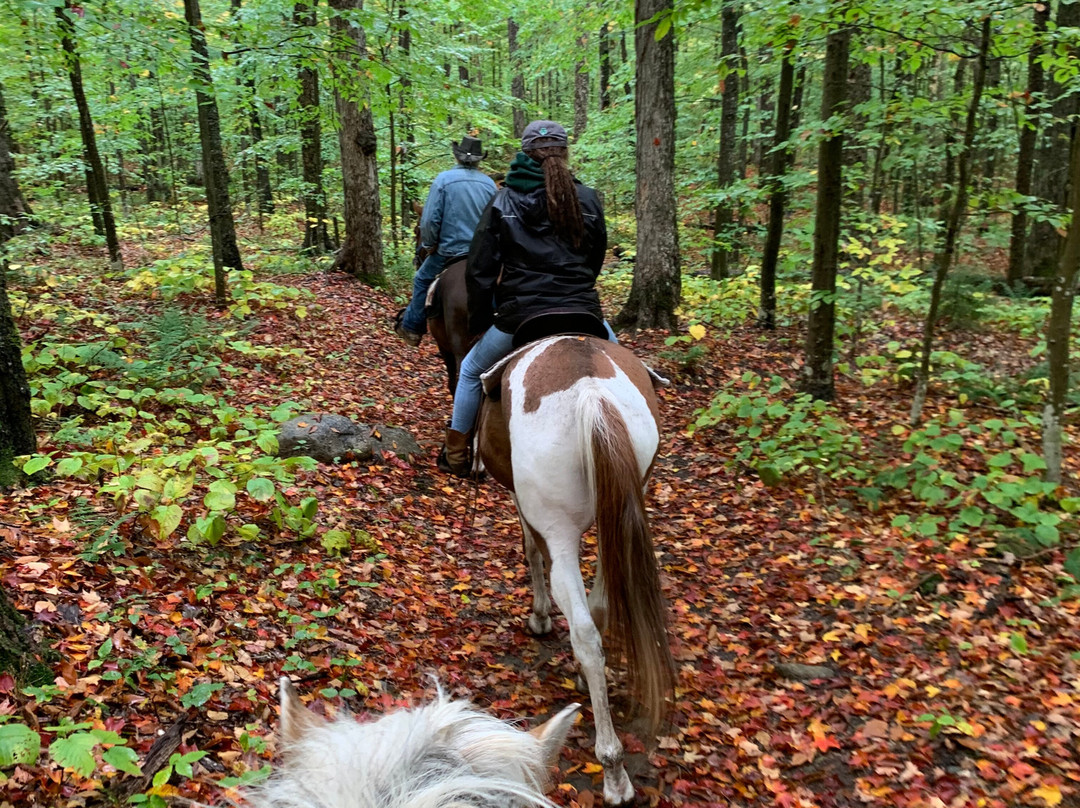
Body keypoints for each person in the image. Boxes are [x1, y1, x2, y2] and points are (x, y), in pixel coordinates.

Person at [439, 120, 618, 477]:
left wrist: (480, 322)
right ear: (565, 153)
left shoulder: (503, 200)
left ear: (525, 154)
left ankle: (456, 454)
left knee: (472, 370)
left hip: (521, 315)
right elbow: (596, 256)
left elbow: (480, 269)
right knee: (633, 369)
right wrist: (578, 291)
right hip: (583, 310)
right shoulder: (588, 197)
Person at [395, 135, 497, 347]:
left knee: (422, 279)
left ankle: (412, 327)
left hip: (449, 251)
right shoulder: (489, 184)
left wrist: (430, 244)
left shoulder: (443, 180)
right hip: (481, 255)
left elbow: (430, 221)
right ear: (479, 160)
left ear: (457, 156)